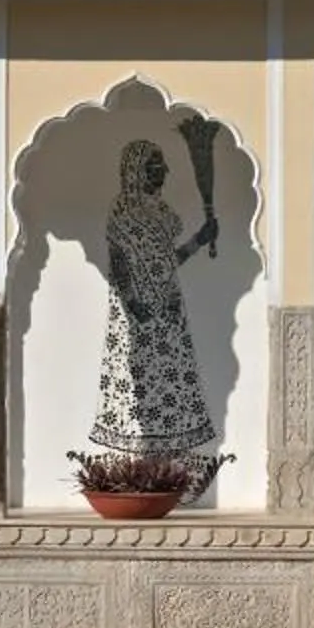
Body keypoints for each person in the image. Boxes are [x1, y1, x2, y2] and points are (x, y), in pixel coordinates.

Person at [88, 137, 219, 457]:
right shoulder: (122, 212)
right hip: (138, 313)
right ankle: (136, 457)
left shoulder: (161, 213)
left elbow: (168, 261)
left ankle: (171, 458)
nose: (165, 172)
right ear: (137, 171)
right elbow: (119, 265)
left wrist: (200, 240)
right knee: (139, 384)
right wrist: (134, 304)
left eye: (163, 165)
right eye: (155, 166)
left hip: (169, 309)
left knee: (171, 380)